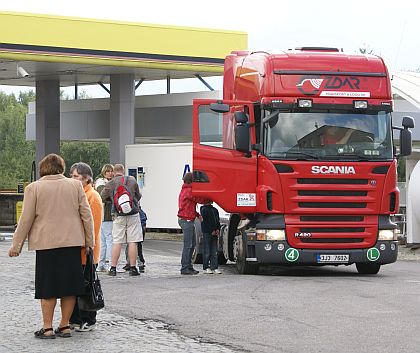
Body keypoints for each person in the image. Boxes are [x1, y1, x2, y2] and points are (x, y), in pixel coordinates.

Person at [8, 154, 94, 339]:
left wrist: (16, 245)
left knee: (48, 287)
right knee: (69, 287)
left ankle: (47, 328)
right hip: (71, 243)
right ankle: (64, 326)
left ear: (43, 168)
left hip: (46, 245)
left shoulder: (34, 188)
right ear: (61, 168)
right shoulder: (75, 185)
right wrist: (89, 242)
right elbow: (86, 215)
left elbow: (26, 219)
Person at [69, 162, 103, 332]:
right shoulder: (78, 194)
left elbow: (94, 227)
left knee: (87, 286)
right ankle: (75, 319)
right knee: (76, 287)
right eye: (72, 176)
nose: (72, 179)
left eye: (75, 176)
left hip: (87, 250)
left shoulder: (93, 197)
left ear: (86, 178)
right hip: (77, 249)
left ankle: (88, 319)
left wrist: (86, 245)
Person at [100, 164, 142, 277]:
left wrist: (114, 202)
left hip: (118, 215)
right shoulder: (132, 180)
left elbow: (102, 196)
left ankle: (113, 268)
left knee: (117, 241)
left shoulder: (111, 183)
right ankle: (133, 268)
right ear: (123, 171)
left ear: (114, 172)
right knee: (133, 241)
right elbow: (139, 195)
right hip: (133, 214)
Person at [177, 172, 209, 275]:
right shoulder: (189, 190)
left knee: (192, 244)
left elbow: (189, 206)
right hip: (186, 220)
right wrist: (210, 198)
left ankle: (189, 266)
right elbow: (199, 199)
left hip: (187, 219)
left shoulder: (185, 189)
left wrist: (197, 214)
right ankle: (185, 267)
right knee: (188, 244)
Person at [95, 164, 114, 272]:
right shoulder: (102, 183)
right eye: (108, 171)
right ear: (104, 172)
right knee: (109, 239)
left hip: (101, 214)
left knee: (103, 240)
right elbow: (103, 196)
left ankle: (101, 264)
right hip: (106, 214)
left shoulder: (100, 182)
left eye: (111, 171)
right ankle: (111, 263)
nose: (110, 173)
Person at [123, 206, 147, 272]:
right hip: (137, 229)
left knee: (135, 247)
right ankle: (131, 263)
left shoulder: (136, 212)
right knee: (133, 247)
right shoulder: (139, 212)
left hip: (137, 230)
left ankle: (139, 264)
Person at [200, 201, 222, 274]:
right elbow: (204, 222)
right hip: (207, 233)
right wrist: (211, 230)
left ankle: (214, 267)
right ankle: (206, 267)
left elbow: (217, 221)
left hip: (214, 232)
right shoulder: (203, 210)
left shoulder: (215, 210)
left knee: (214, 252)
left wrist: (218, 229)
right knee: (207, 251)